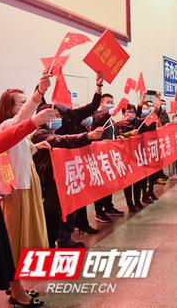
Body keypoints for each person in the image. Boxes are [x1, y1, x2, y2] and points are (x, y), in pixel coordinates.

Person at [0, 110, 56, 307]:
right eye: (21, 102)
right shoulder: (7, 126)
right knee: (12, 240)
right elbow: (0, 148)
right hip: (14, 191)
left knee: (7, 247)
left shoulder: (11, 130)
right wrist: (35, 110)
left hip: (16, 191)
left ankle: (16, 289)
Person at [0, 74, 53, 268]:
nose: (26, 104)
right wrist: (39, 94)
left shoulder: (19, 129)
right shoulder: (7, 126)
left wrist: (38, 146)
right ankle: (13, 273)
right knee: (15, 231)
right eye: (22, 102)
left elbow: (22, 152)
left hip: (29, 181)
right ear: (10, 108)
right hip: (16, 186)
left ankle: (25, 268)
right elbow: (22, 119)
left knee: (29, 228)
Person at [32, 105, 104, 248]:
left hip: (62, 179)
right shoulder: (40, 134)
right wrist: (88, 136)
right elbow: (61, 140)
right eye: (53, 116)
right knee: (52, 215)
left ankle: (65, 239)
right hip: (49, 182)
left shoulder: (55, 131)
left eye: (58, 116)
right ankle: (52, 244)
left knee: (68, 210)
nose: (57, 119)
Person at [54, 72, 104, 237]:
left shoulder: (72, 114)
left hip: (75, 161)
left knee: (79, 194)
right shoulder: (50, 115)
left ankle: (82, 223)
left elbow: (92, 105)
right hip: (58, 164)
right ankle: (63, 236)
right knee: (63, 201)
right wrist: (41, 88)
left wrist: (98, 86)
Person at [92, 94, 124, 223]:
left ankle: (109, 206)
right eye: (108, 102)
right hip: (99, 155)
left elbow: (113, 133)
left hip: (109, 155)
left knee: (109, 183)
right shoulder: (96, 116)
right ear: (101, 102)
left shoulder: (111, 119)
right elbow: (98, 124)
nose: (110, 104)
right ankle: (99, 212)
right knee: (100, 185)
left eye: (112, 102)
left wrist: (118, 137)